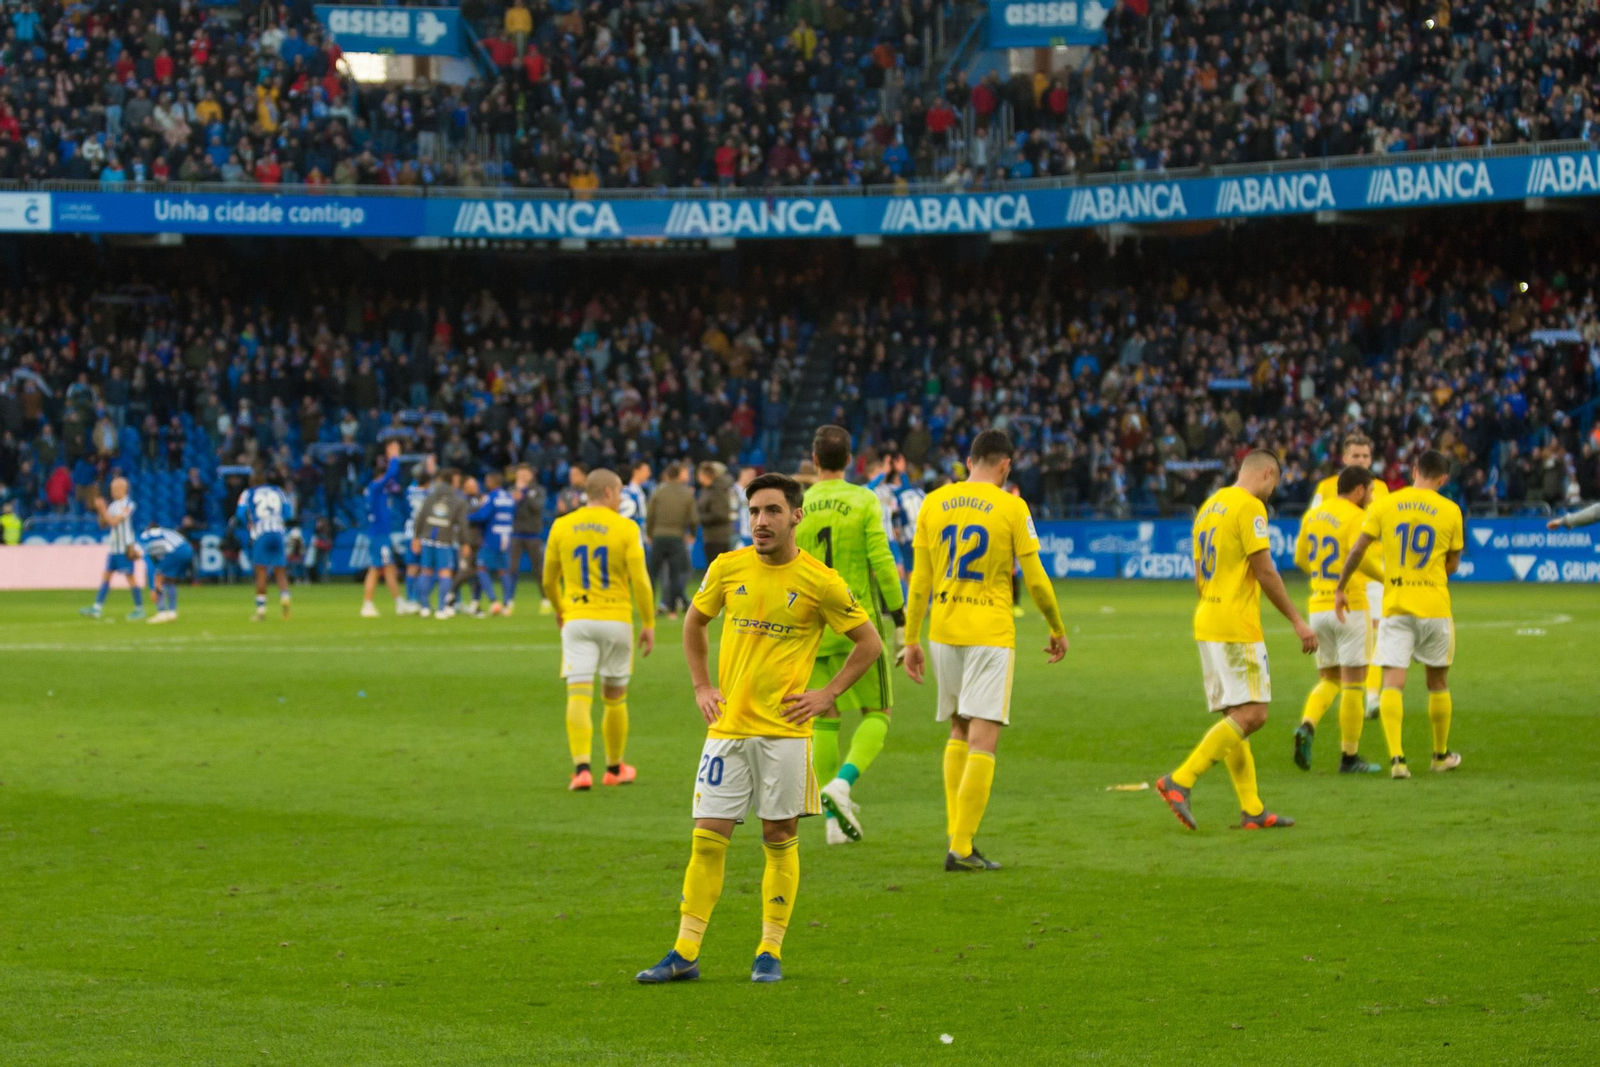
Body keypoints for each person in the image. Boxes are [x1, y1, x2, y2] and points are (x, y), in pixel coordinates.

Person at [636, 474, 881, 985]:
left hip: (786, 734)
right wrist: (703, 687)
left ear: (796, 516)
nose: (760, 521)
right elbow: (693, 623)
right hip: (727, 729)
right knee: (706, 840)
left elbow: (869, 643)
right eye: (753, 511)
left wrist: (828, 693)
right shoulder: (727, 567)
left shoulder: (821, 581)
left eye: (771, 511)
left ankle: (769, 951)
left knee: (779, 835)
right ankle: (684, 952)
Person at [901, 430, 1068, 871]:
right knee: (984, 738)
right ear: (1005, 465)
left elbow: (920, 581)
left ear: (968, 460)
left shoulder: (933, 503)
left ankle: (958, 837)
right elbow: (1034, 578)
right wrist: (1056, 626)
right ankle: (960, 847)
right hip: (990, 634)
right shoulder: (1012, 507)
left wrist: (911, 638)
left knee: (957, 729)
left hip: (944, 631)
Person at [1155, 449, 1317, 832]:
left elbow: (1198, 574)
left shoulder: (1209, 508)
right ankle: (1181, 780)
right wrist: (1298, 621)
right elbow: (1265, 570)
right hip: (1235, 624)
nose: (1272, 492)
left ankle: (1252, 810)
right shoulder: (1249, 507)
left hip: (1208, 617)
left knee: (1235, 716)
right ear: (1266, 474)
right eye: (1275, 483)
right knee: (1253, 714)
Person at [795, 425, 906, 845]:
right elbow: (882, 558)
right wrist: (899, 618)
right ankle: (841, 784)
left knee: (823, 716)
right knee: (878, 714)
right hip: (857, 622)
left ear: (815, 457)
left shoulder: (800, 504)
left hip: (812, 624)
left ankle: (830, 821)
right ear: (851, 459)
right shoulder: (863, 499)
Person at [1334, 449, 1465, 779]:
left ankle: (1398, 760)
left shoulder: (1385, 504)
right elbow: (1453, 564)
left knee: (1393, 683)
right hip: (1434, 605)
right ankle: (1439, 755)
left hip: (1396, 604)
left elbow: (1358, 548)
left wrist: (1341, 587)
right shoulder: (1451, 511)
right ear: (1443, 479)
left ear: (1414, 470)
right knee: (1437, 682)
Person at [542, 468, 656, 791]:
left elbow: (548, 580)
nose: (620, 499)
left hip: (577, 617)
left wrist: (559, 609)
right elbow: (642, 581)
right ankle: (615, 768)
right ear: (607, 493)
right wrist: (648, 622)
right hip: (616, 619)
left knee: (578, 694)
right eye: (619, 493)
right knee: (614, 697)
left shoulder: (562, 526)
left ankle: (581, 769)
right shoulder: (625, 528)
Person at [1291, 466, 1385, 774]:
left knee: (1329, 679)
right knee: (1354, 685)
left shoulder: (1313, 516)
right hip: (1350, 606)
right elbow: (1363, 559)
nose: (1371, 497)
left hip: (1318, 606)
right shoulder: (1356, 516)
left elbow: (1300, 559)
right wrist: (1390, 578)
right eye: (1369, 491)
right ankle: (1349, 758)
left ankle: (1307, 724)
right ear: (1358, 490)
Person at [1308, 435, 1390, 717]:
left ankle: (1373, 697)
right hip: (1344, 578)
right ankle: (1353, 696)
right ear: (1344, 459)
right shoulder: (1327, 488)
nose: (1362, 461)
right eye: (1356, 456)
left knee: (1377, 636)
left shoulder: (1381, 488)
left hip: (1372, 570)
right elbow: (1312, 524)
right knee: (1351, 643)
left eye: (1366, 457)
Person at [80, 476, 145, 620]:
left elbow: (115, 521)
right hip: (114, 547)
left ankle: (139, 608)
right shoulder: (113, 505)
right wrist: (99, 510)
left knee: (130, 578)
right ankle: (97, 607)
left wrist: (104, 510)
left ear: (124, 489)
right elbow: (104, 524)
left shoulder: (128, 504)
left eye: (116, 488)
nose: (113, 491)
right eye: (112, 489)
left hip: (124, 547)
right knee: (106, 576)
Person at [361, 442, 412, 617]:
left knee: (389, 568)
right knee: (376, 569)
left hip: (381, 533)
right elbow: (391, 475)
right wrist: (394, 457)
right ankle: (367, 604)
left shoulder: (375, 490)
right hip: (379, 534)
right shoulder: (375, 488)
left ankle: (398, 602)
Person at [236, 468, 294, 621]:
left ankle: (261, 611)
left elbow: (240, 514)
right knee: (280, 571)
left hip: (261, 532)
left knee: (261, 572)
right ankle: (285, 600)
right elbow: (288, 513)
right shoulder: (278, 491)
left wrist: (249, 523)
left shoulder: (248, 493)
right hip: (278, 531)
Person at [412, 468, 468, 619]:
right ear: (453, 481)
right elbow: (462, 524)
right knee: (445, 572)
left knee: (425, 571)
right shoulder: (458, 499)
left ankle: (424, 607)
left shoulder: (431, 495)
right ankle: (441, 608)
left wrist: (416, 537)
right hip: (445, 540)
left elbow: (420, 517)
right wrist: (465, 543)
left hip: (428, 538)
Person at [646, 462, 697, 618]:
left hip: (659, 537)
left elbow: (650, 515)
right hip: (677, 538)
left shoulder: (658, 492)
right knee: (675, 574)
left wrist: (650, 534)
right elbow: (693, 519)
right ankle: (673, 611)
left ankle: (649, 608)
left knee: (652, 574)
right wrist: (692, 534)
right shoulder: (686, 494)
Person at [471, 470, 518, 616]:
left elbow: (483, 515)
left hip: (492, 537)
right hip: (506, 536)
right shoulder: (509, 498)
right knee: (503, 570)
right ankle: (508, 602)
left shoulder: (491, 497)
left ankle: (494, 601)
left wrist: (468, 516)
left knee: (481, 568)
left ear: (492, 482)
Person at [507, 464, 548, 617]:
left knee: (539, 569)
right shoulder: (511, 491)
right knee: (512, 568)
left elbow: (537, 507)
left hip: (533, 535)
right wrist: (515, 499)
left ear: (531, 475)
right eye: (520, 474)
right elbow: (508, 510)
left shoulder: (538, 490)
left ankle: (545, 600)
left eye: (526, 474)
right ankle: (509, 600)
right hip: (516, 534)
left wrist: (524, 494)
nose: (522, 477)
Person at [138, 523, 193, 624]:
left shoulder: (144, 538)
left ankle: (161, 612)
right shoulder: (166, 531)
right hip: (188, 550)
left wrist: (152, 589)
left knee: (158, 579)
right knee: (169, 580)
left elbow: (151, 568)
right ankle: (172, 612)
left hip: (175, 552)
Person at [696, 461, 736, 567]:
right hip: (711, 536)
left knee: (717, 571)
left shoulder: (717, 490)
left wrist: (700, 518)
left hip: (718, 538)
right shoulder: (707, 490)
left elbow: (720, 514)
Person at [619, 460, 651, 525]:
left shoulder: (640, 490)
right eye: (646, 470)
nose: (649, 474)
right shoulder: (627, 492)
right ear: (636, 471)